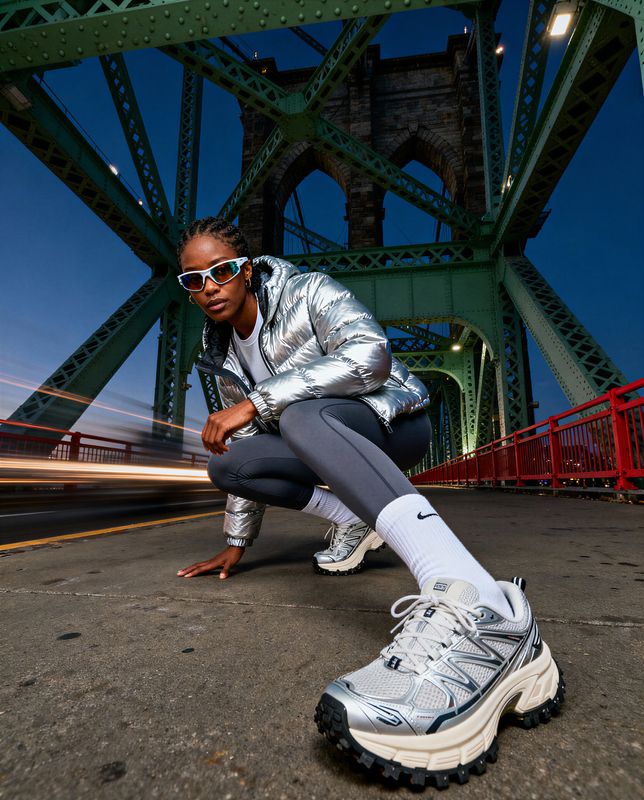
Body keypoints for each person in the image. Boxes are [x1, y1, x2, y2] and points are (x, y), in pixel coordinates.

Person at [175, 217, 564, 788]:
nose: (209, 287)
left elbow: (371, 355)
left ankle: (481, 604)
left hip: (392, 420)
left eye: (222, 271)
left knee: (299, 414)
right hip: (314, 437)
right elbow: (250, 435)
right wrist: (236, 543)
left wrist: (259, 401)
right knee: (230, 464)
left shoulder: (306, 290)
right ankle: (353, 518)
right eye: (193, 280)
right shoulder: (221, 355)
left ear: (248, 271)